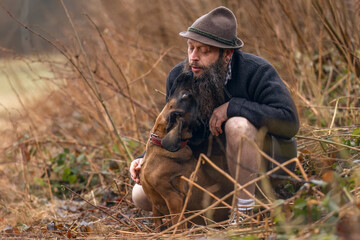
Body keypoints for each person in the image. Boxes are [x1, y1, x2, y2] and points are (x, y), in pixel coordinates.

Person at [130, 6, 299, 222]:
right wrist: (144, 160)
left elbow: (289, 122)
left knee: (237, 125)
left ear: (227, 54)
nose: (193, 58)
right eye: (190, 48)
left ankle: (245, 213)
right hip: (210, 172)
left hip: (261, 172)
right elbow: (174, 129)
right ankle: (215, 215)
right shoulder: (180, 77)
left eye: (203, 50)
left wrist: (233, 107)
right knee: (141, 195)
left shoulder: (257, 71)